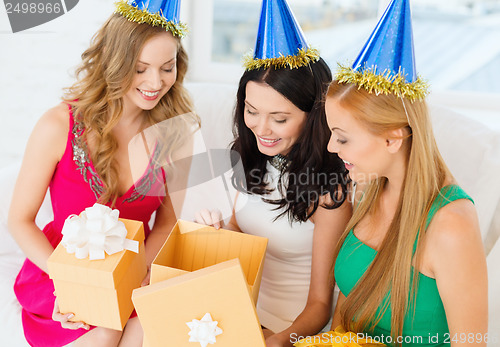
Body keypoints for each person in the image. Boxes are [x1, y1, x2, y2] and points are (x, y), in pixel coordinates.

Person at [7, 0, 198, 346]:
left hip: (133, 274)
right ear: (114, 62)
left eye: (166, 67)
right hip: (61, 274)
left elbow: (167, 224)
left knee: (144, 328)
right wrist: (72, 281)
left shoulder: (177, 135)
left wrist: (136, 275)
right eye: (140, 69)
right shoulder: (58, 125)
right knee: (107, 330)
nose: (155, 82)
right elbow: (19, 220)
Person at [325, 0, 488, 346]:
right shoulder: (370, 187)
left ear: (393, 138)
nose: (330, 148)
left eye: (342, 138)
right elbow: (346, 312)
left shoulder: (451, 224)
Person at [195, 1, 352, 346]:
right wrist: (220, 234)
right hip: (238, 315)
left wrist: (277, 339)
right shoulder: (249, 155)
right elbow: (247, 239)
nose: (261, 128)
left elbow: (321, 306)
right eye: (252, 111)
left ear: (314, 116)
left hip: (291, 329)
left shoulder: (329, 192)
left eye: (279, 119)